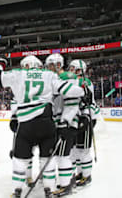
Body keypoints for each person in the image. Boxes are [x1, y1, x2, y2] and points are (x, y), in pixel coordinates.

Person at [0, 55, 85, 198]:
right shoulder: (49, 75)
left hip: (26, 124)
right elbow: (70, 90)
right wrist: (83, 91)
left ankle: (17, 191)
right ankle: (49, 190)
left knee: (20, 159)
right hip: (47, 122)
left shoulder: (18, 74)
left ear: (26, 65)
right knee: (47, 159)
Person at [46, 54, 82, 196]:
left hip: (66, 122)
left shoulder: (68, 77)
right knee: (62, 154)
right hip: (59, 121)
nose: (48, 68)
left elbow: (73, 103)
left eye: (50, 65)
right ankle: (68, 180)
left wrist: (66, 121)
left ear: (58, 65)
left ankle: (66, 186)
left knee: (63, 155)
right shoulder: (55, 78)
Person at [68, 59, 99, 187]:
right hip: (78, 117)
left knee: (83, 149)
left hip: (87, 117)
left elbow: (86, 100)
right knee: (75, 149)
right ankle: (80, 173)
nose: (70, 70)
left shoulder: (85, 82)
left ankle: (87, 176)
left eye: (72, 68)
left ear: (79, 70)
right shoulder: (75, 81)